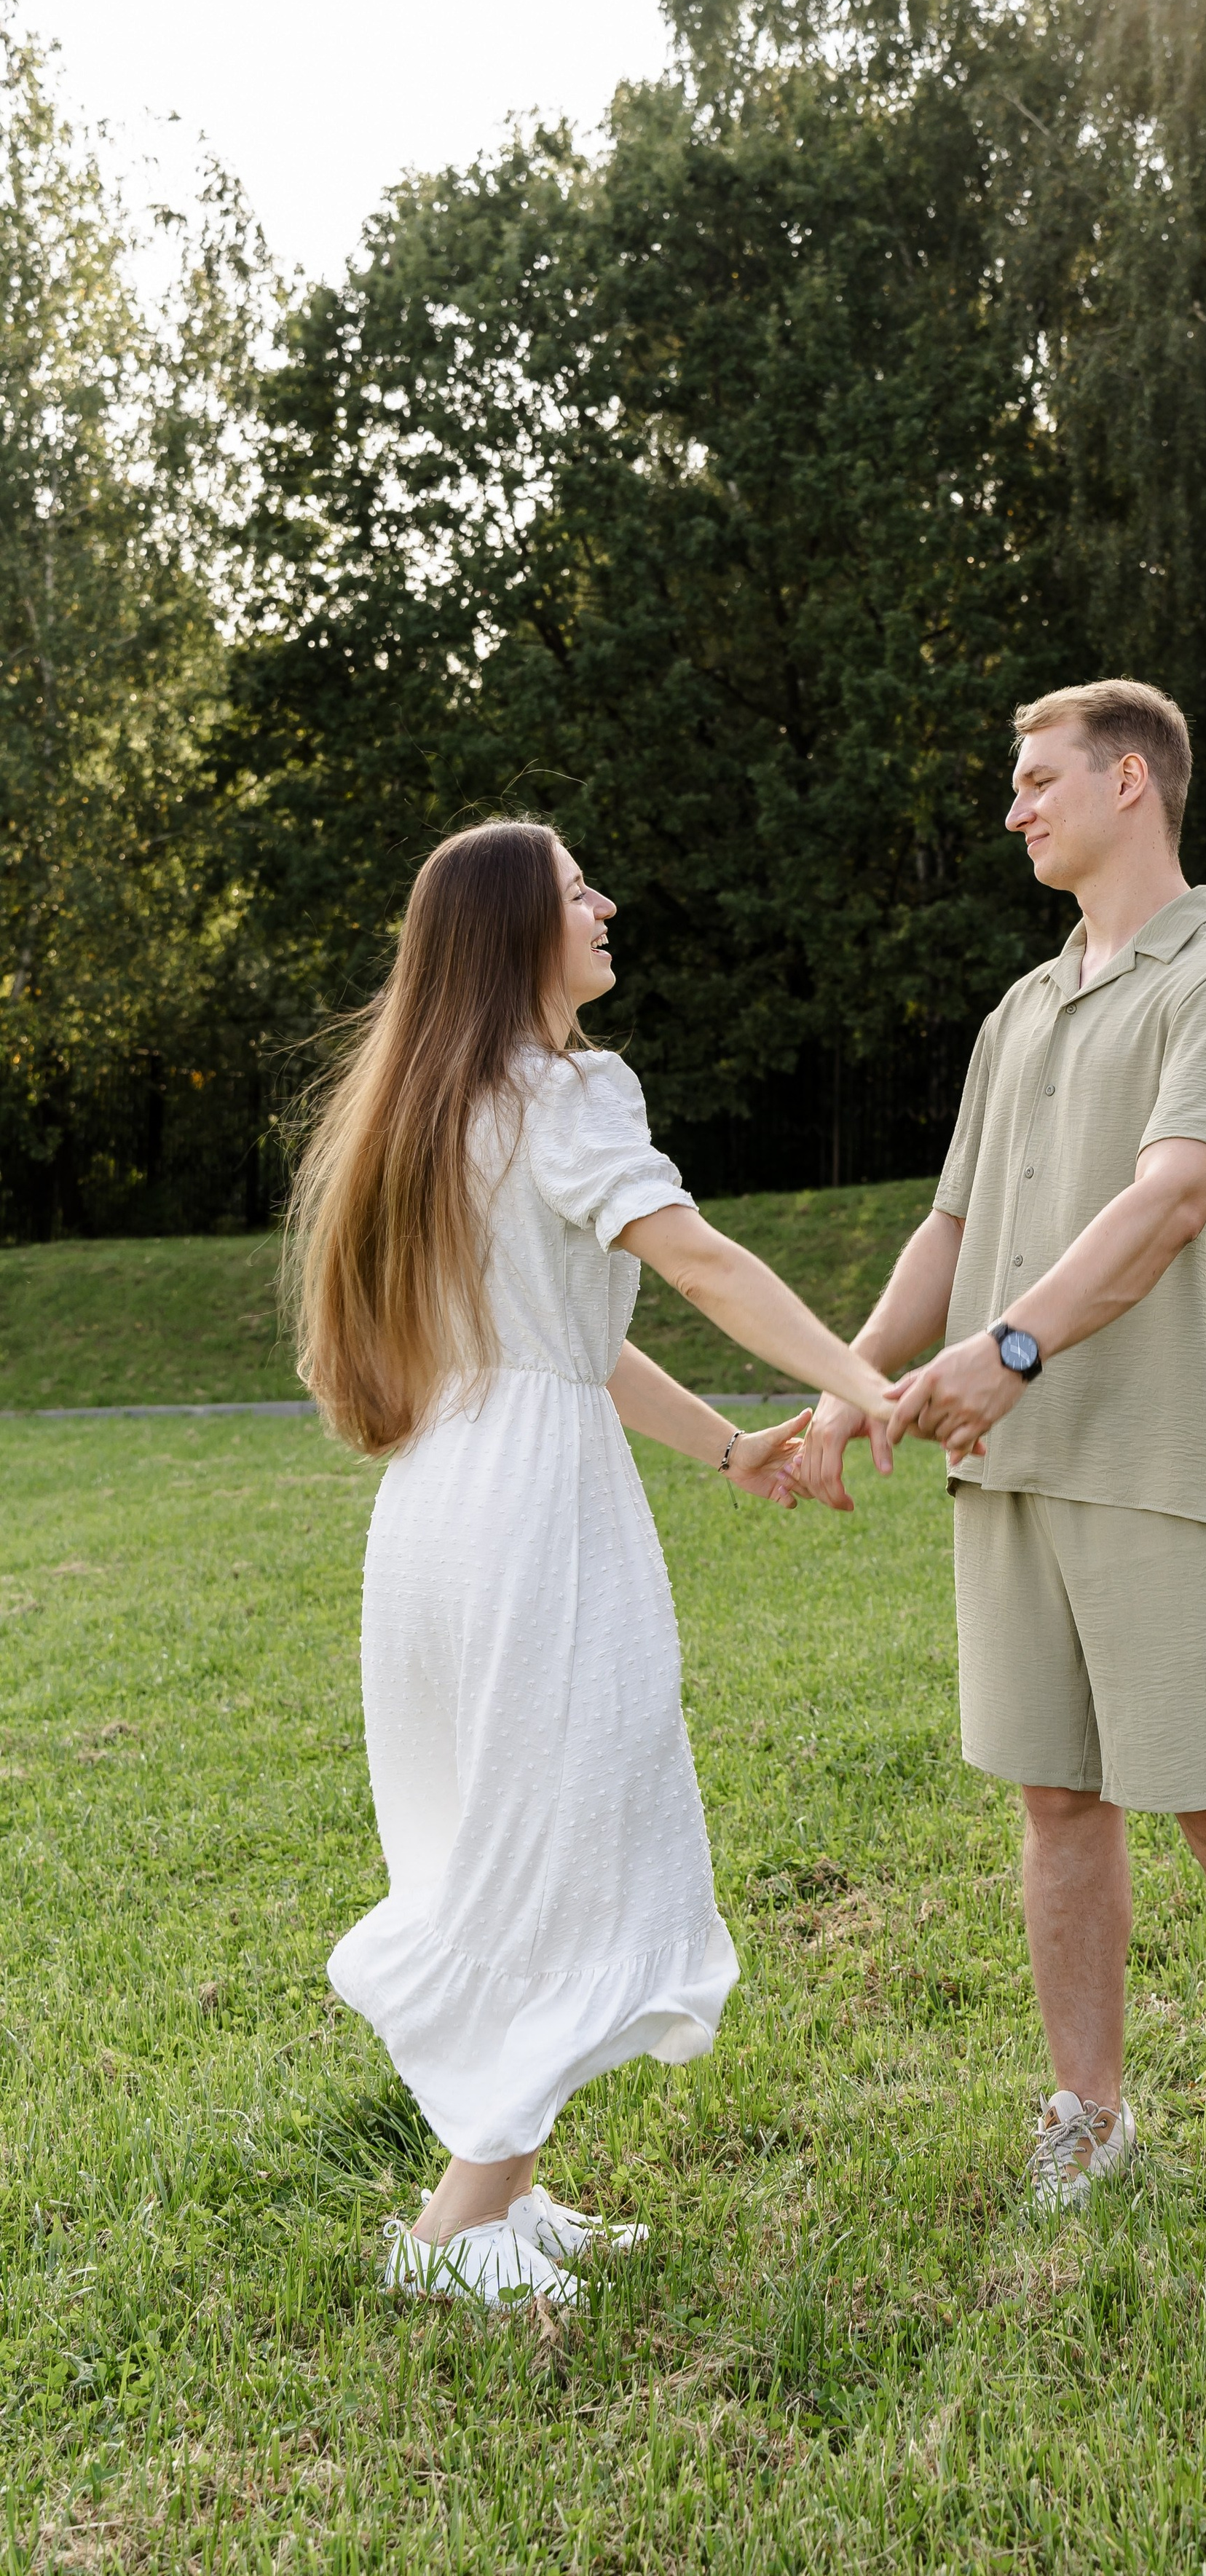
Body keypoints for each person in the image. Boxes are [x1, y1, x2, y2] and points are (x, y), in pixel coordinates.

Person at [290, 818, 889, 2310]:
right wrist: (861, 1384)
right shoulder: (566, 1091)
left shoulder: (438, 1104)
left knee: (511, 1825)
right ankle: (455, 2230)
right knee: (561, 1838)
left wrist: (727, 1447)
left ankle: (509, 2187)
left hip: (441, 1502)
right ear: (515, 930)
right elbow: (697, 1262)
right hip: (532, 1514)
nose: (605, 904)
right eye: (575, 890)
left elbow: (581, 1338)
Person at [799, 680, 1206, 2220]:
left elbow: (1173, 1196)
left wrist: (1006, 1351)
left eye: (1037, 780)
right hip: (1011, 1470)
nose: (1015, 810)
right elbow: (951, 1225)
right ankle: (1088, 2113)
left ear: (1130, 782)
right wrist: (847, 1385)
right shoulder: (1023, 1007)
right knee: (1056, 1800)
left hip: (1168, 1461)